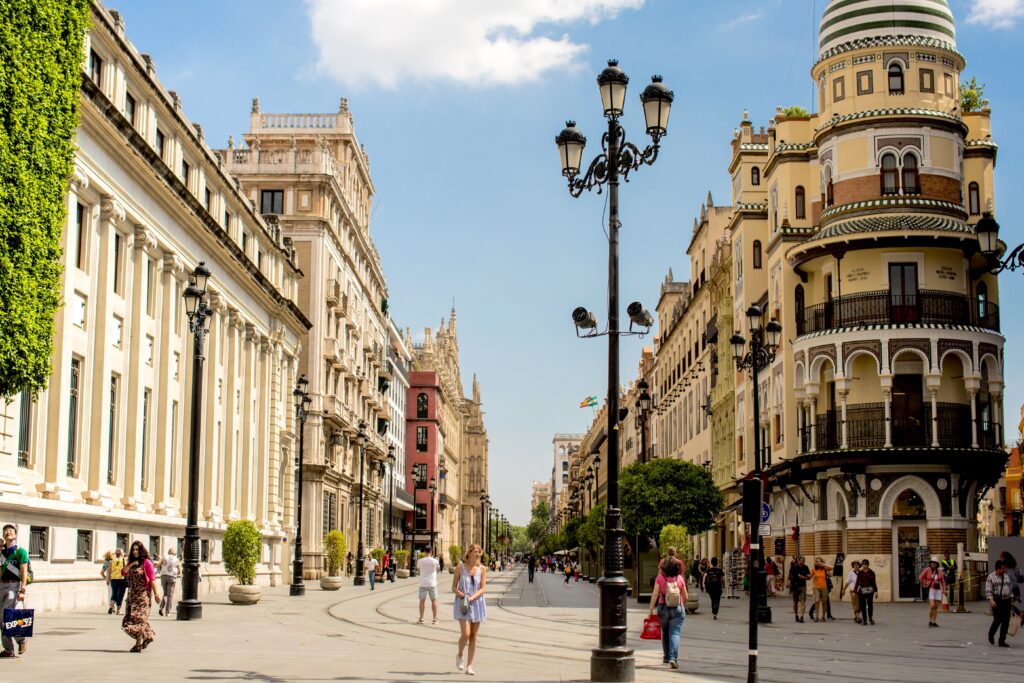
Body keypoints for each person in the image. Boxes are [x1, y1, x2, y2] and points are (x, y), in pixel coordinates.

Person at [453, 543, 487, 676]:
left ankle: (470, 666)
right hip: (463, 603)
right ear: (469, 553)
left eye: (479, 552)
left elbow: (483, 588)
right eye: (475, 551)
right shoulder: (460, 567)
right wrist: (460, 593)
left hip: (477, 602)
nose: (477, 554)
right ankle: (460, 655)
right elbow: (453, 587)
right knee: (466, 634)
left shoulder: (482, 569)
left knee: (473, 636)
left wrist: (473, 597)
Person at [648, 555, 687, 669]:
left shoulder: (660, 578)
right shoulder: (679, 578)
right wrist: (682, 605)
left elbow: (655, 594)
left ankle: (666, 656)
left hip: (663, 608)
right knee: (675, 633)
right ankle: (673, 658)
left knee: (665, 633)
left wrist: (651, 609)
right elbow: (685, 595)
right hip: (677, 608)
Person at [122, 540, 159, 652]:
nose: (135, 551)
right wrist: (131, 564)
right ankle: (148, 635)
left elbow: (152, 579)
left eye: (137, 549)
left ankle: (138, 644)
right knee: (131, 619)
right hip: (133, 594)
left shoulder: (146, 562)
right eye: (133, 550)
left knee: (140, 619)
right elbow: (123, 573)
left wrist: (156, 593)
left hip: (143, 595)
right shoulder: (131, 562)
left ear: (141, 550)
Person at [1, 524, 29, 658]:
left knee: (8, 616)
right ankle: (8, 649)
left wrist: (22, 589)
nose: (8, 533)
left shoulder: (20, 551)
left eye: (11, 531)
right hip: (1, 586)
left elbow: (24, 570)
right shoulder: (1, 551)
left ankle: (20, 639)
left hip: (13, 586)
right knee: (1, 619)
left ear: (15, 535)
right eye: (5, 531)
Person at [986, 559, 1014, 647]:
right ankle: (991, 634)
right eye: (1002, 568)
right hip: (997, 601)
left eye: (1004, 568)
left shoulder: (1006, 576)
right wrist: (992, 601)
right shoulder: (991, 577)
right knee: (997, 620)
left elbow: (1009, 588)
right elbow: (988, 591)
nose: (1004, 570)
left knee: (1005, 621)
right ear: (997, 569)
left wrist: (1012, 598)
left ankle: (1002, 640)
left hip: (1006, 601)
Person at [417, 546, 440, 625]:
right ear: (431, 551)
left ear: (424, 551)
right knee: (434, 600)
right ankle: (435, 619)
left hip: (423, 583)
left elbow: (418, 569)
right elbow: (437, 569)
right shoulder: (435, 561)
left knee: (422, 601)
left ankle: (421, 618)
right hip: (432, 583)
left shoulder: (420, 561)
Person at [919, 557, 945, 627]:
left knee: (936, 607)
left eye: (934, 563)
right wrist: (924, 583)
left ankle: (934, 622)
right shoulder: (927, 570)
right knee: (932, 606)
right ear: (930, 563)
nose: (933, 564)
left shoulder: (939, 571)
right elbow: (920, 577)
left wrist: (944, 590)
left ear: (937, 564)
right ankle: (930, 620)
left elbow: (942, 581)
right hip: (931, 589)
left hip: (938, 590)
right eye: (932, 563)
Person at [787, 556, 810, 623]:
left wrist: (804, 577)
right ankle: (796, 615)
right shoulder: (794, 567)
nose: (802, 563)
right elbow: (790, 576)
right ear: (798, 561)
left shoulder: (805, 567)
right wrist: (788, 583)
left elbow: (808, 576)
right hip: (795, 586)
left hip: (803, 586)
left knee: (803, 602)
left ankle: (802, 617)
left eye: (803, 561)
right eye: (801, 561)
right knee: (795, 602)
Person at [156, 547, 179, 617]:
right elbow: (180, 571)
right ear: (175, 553)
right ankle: (167, 612)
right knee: (170, 595)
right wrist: (175, 574)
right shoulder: (177, 559)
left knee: (165, 593)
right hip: (172, 577)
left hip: (163, 576)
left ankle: (161, 607)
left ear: (169, 552)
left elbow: (158, 565)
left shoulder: (164, 557)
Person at [854, 558, 877, 625]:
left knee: (870, 605)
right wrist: (855, 590)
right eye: (863, 564)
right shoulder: (860, 572)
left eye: (865, 564)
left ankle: (870, 618)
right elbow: (857, 582)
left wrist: (876, 591)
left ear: (868, 565)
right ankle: (864, 620)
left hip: (870, 591)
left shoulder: (871, 572)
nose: (864, 565)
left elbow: (874, 582)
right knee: (863, 606)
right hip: (861, 591)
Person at [109, 547, 127, 615]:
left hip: (113, 579)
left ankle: (111, 607)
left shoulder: (112, 560)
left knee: (114, 594)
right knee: (120, 595)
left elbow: (109, 570)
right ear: (122, 553)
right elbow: (126, 570)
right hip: (122, 579)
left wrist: (108, 578)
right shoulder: (124, 560)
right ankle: (118, 611)